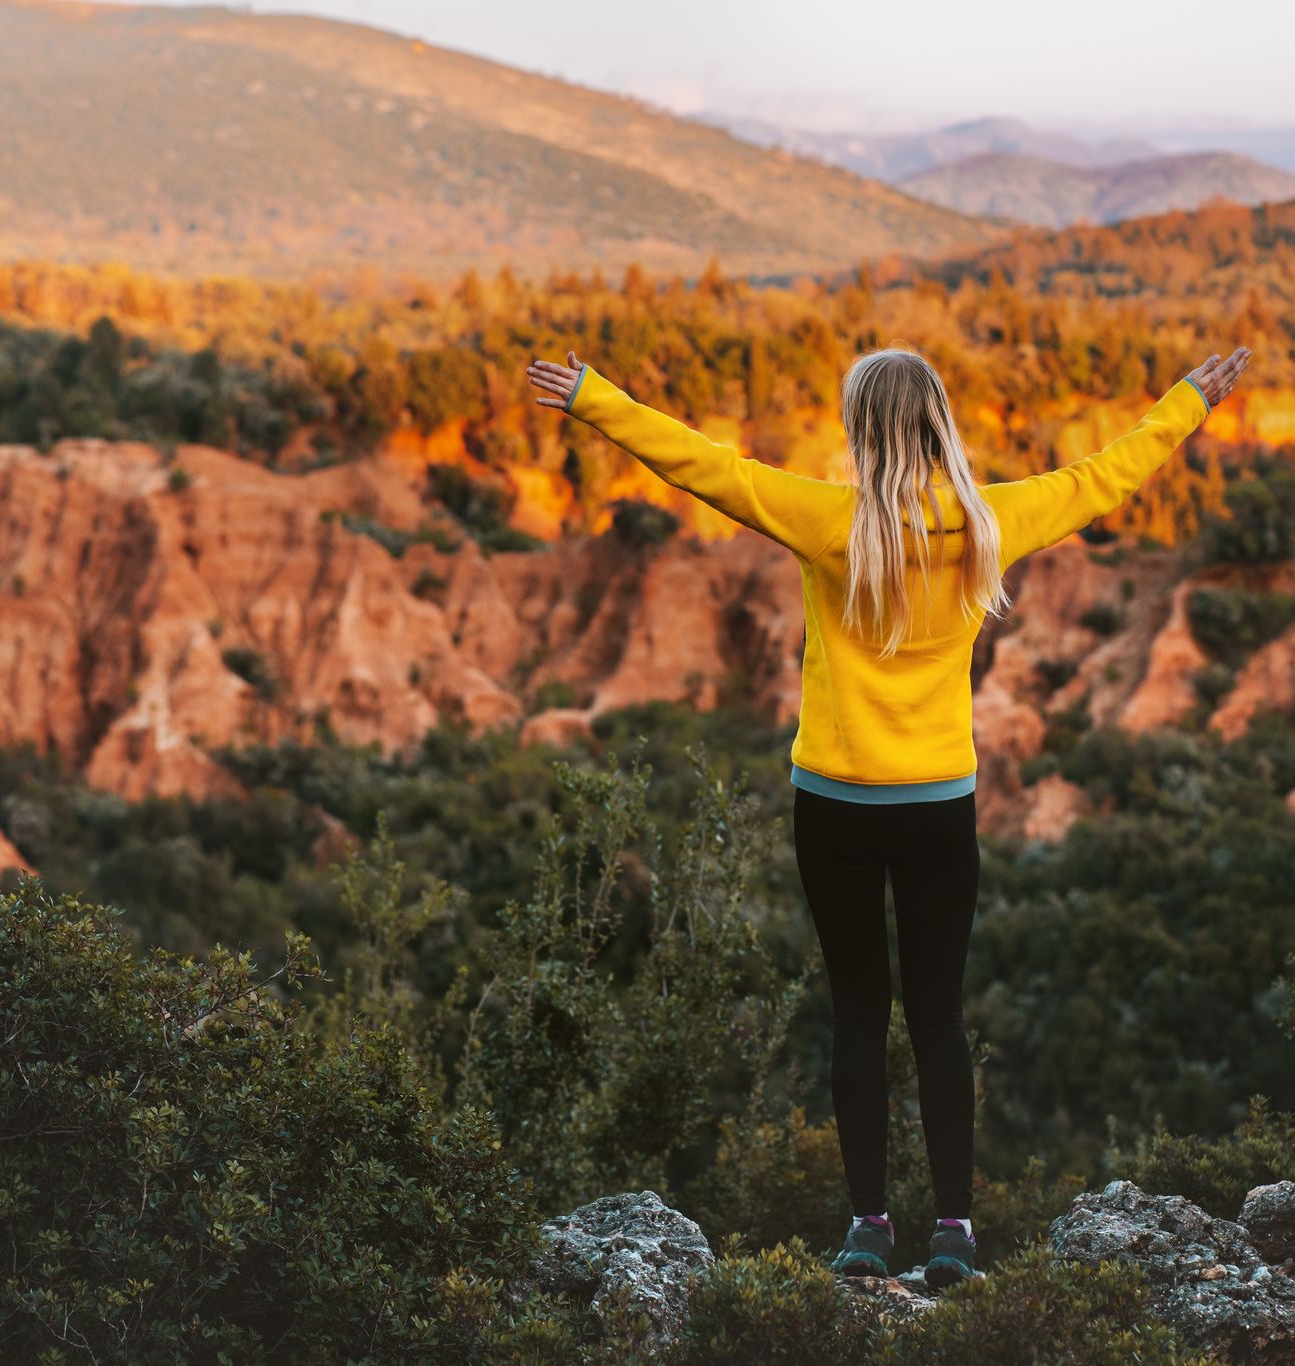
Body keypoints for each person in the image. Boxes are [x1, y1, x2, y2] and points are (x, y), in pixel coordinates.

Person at [527, 342, 1251, 1287]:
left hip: (833, 805)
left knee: (860, 1013)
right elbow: (1102, 478)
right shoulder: (989, 524)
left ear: (861, 430)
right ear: (937, 419)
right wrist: (1189, 402)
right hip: (938, 809)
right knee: (939, 1018)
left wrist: (592, 396)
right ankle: (954, 1228)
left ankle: (869, 1225)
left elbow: (702, 465)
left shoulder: (832, 525)